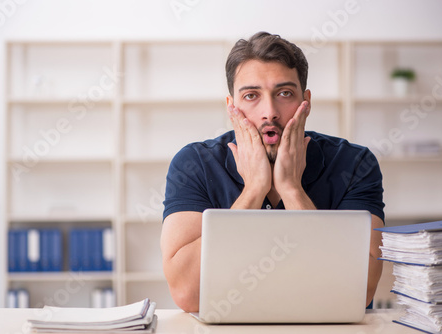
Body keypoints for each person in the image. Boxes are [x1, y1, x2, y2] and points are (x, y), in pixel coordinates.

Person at [160, 32, 384, 313]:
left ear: (306, 101)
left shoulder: (354, 163)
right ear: (232, 107)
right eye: (251, 95)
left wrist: (292, 190)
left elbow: (358, 291)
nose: (270, 112)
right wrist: (254, 190)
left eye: (284, 93)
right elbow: (187, 293)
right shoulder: (194, 163)